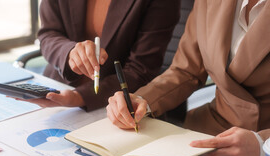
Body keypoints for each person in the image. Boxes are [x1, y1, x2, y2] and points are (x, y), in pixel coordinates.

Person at [106, 0, 270, 156]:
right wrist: (142, 100)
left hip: (263, 154)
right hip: (204, 136)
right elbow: (186, 71)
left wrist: (262, 145)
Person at [20, 0, 180, 111]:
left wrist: (80, 97)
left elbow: (140, 69)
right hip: (56, 89)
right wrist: (69, 53)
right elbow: (48, 33)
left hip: (113, 103)